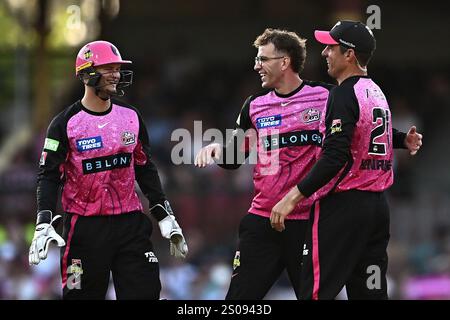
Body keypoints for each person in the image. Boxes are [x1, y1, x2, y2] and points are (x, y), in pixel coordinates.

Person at [269, 21, 423, 300]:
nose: (325, 52)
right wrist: (401, 140)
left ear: (349, 54)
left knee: (315, 292)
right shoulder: (375, 91)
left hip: (343, 207)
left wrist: (293, 196)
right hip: (377, 209)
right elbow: (369, 131)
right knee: (370, 293)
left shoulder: (342, 93)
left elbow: (336, 154)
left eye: (331, 47)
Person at [28, 40, 188, 300]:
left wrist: (163, 212)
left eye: (118, 68)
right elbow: (48, 175)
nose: (116, 74)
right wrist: (43, 221)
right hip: (83, 230)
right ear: (87, 74)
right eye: (108, 68)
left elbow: (144, 167)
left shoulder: (132, 117)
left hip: (130, 225)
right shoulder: (64, 124)